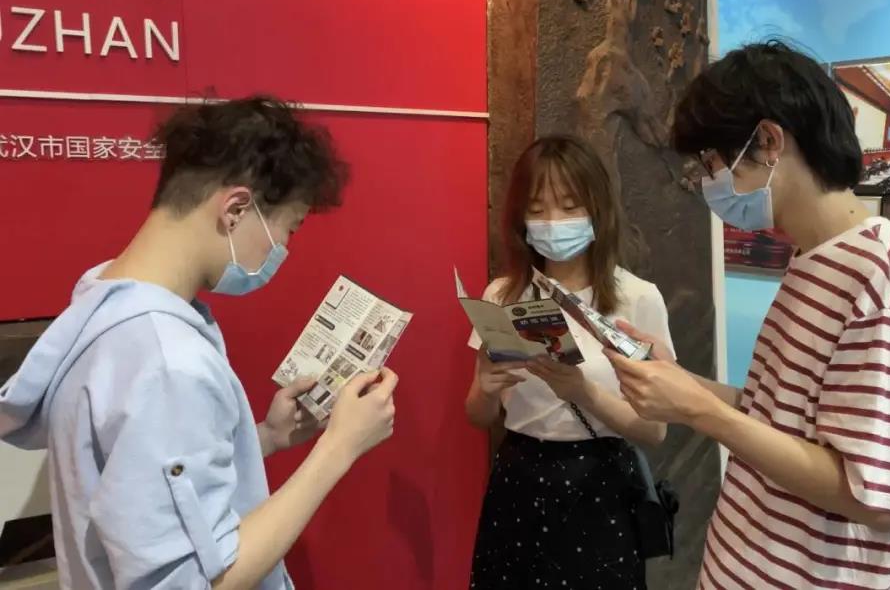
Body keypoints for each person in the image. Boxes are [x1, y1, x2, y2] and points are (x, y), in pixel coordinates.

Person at [605, 40, 890, 589]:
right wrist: (682, 383)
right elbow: (782, 417)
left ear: (770, 141)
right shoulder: (814, 257)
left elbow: (872, 496)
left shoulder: (884, 279)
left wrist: (699, 410)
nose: (708, 180)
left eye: (713, 161)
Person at [0, 97, 398, 589]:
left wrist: (265, 438)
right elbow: (198, 580)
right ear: (235, 209)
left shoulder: (102, 305)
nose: (283, 250)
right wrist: (339, 447)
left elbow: (138, 485)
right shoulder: (167, 361)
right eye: (288, 229)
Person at [465, 135, 675, 590]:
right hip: (519, 479)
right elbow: (479, 415)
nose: (552, 223)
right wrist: (485, 386)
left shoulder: (638, 298)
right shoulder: (502, 295)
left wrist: (584, 392)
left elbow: (655, 431)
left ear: (598, 208)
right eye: (537, 209)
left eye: (568, 206)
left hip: (601, 486)